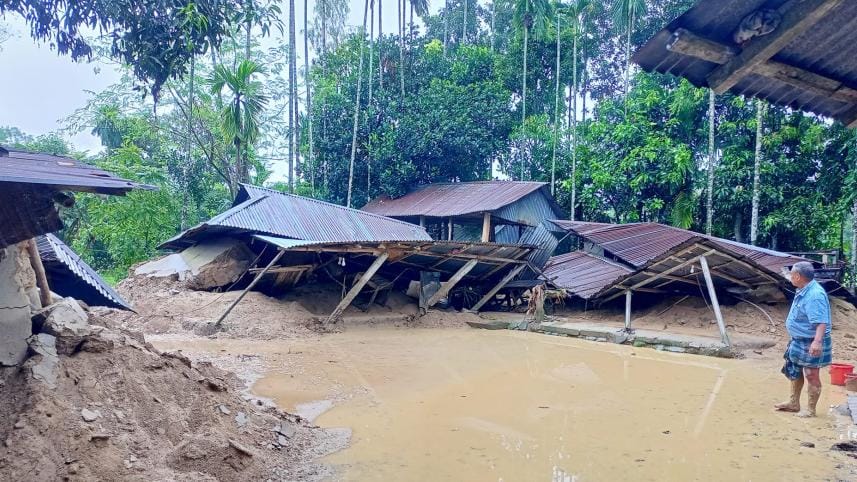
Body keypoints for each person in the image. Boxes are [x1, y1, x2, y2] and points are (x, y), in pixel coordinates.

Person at [774, 261, 832, 418]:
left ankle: (811, 410)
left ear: (798, 276)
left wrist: (817, 342)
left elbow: (821, 322)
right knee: (795, 369)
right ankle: (794, 403)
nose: (790, 276)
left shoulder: (815, 295)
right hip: (799, 339)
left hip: (811, 340)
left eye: (792, 274)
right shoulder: (804, 289)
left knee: (811, 374)